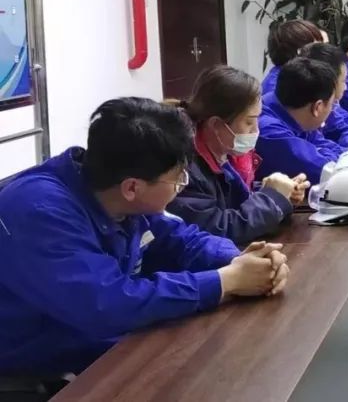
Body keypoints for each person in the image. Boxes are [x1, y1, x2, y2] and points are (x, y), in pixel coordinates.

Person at [0, 98, 289, 384]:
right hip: (34, 373)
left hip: (97, 347)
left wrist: (239, 259)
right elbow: (109, 303)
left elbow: (178, 238)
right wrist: (225, 281)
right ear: (132, 188)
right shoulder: (39, 211)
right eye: (178, 179)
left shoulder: (117, 191)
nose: (182, 185)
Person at [166, 66, 309, 245]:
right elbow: (221, 228)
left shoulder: (223, 150)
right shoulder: (183, 166)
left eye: (257, 119)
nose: (256, 130)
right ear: (216, 124)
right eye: (249, 122)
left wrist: (279, 193)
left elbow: (233, 197)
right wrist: (271, 199)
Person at [263, 19, 348, 146]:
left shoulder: (311, 78)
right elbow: (305, 146)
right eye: (318, 47)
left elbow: (335, 125)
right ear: (301, 52)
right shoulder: (284, 86)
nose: (325, 53)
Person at [256, 55, 348, 183]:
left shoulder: (298, 117)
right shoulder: (270, 131)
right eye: (332, 104)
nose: (332, 110)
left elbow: (325, 145)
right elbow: (324, 170)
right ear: (317, 107)